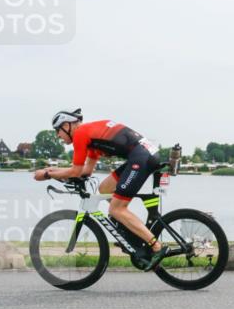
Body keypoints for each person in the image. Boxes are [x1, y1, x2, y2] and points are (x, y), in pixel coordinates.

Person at [36, 108, 169, 271]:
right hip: (143, 155)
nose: (58, 135)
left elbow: (76, 172)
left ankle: (156, 247)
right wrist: (52, 170)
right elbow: (87, 171)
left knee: (116, 209)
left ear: (66, 125)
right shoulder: (90, 136)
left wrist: (48, 174)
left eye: (58, 130)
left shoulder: (80, 134)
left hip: (141, 158)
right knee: (105, 187)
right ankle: (130, 229)